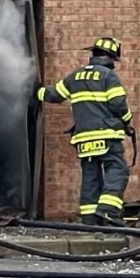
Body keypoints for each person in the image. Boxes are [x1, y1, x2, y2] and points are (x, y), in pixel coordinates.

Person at [38, 36, 134, 226]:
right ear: (111, 58)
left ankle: (90, 219)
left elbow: (54, 95)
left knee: (91, 176)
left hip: (83, 138)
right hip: (106, 134)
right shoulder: (109, 76)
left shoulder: (75, 76)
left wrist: (35, 91)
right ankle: (107, 211)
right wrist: (127, 120)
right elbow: (118, 104)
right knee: (118, 170)